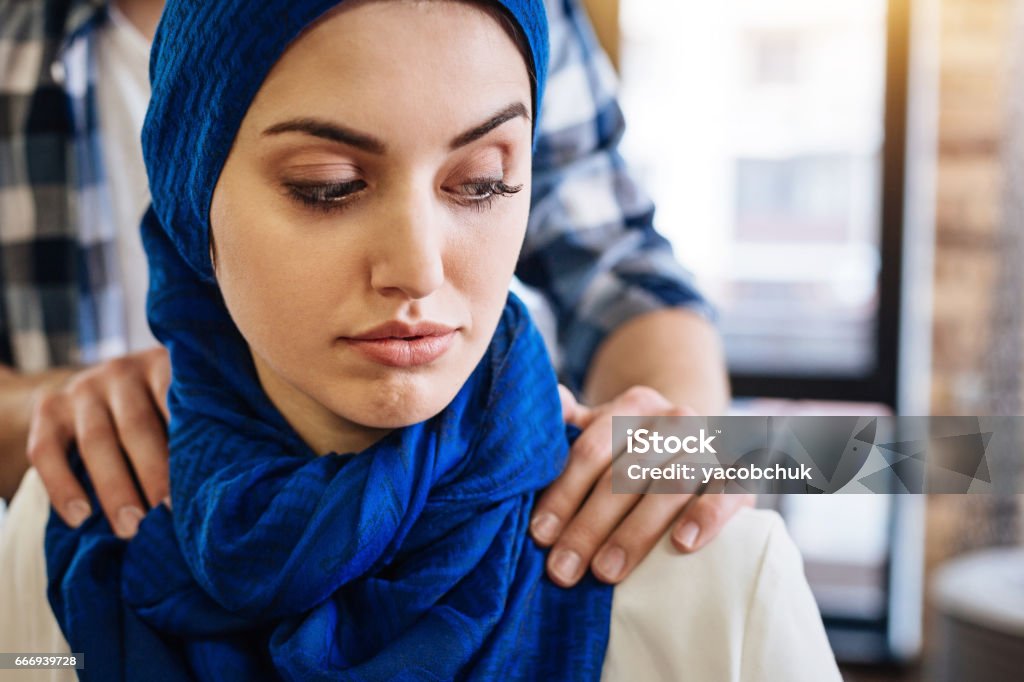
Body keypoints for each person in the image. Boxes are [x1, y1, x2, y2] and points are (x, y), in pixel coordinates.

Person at [1, 1, 841, 679]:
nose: (417, 268)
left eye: (481, 183)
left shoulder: (717, 579)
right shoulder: (63, 527)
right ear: (194, 217)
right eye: (326, 188)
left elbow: (947, 455)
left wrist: (702, 445)